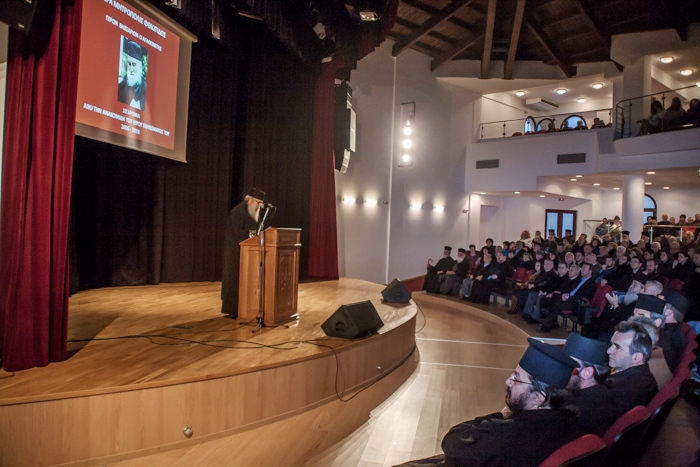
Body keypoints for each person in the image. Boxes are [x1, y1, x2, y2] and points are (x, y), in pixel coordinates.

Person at [400, 338, 580, 466]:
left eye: (517, 378)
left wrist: (501, 415)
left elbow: (453, 444)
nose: (508, 381)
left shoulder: (507, 434)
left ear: (538, 397)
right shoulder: (565, 421)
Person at [221, 188, 265, 318]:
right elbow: (237, 233)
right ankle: (233, 310)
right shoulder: (237, 212)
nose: (259, 205)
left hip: (248, 252)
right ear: (249, 199)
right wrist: (252, 235)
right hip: (235, 251)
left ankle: (246, 308)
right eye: (257, 202)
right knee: (234, 280)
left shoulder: (254, 212)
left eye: (260, 203)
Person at [563, 333, 618, 436]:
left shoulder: (579, 408)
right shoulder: (601, 391)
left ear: (587, 372)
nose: (561, 371)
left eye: (568, 367)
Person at [606, 320, 658, 414]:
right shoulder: (642, 374)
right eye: (612, 344)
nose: (609, 350)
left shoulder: (620, 389)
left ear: (636, 357)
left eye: (618, 347)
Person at [117, 38, 147, 110]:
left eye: (134, 64)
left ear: (140, 67)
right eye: (129, 64)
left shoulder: (146, 90)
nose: (131, 69)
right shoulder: (120, 88)